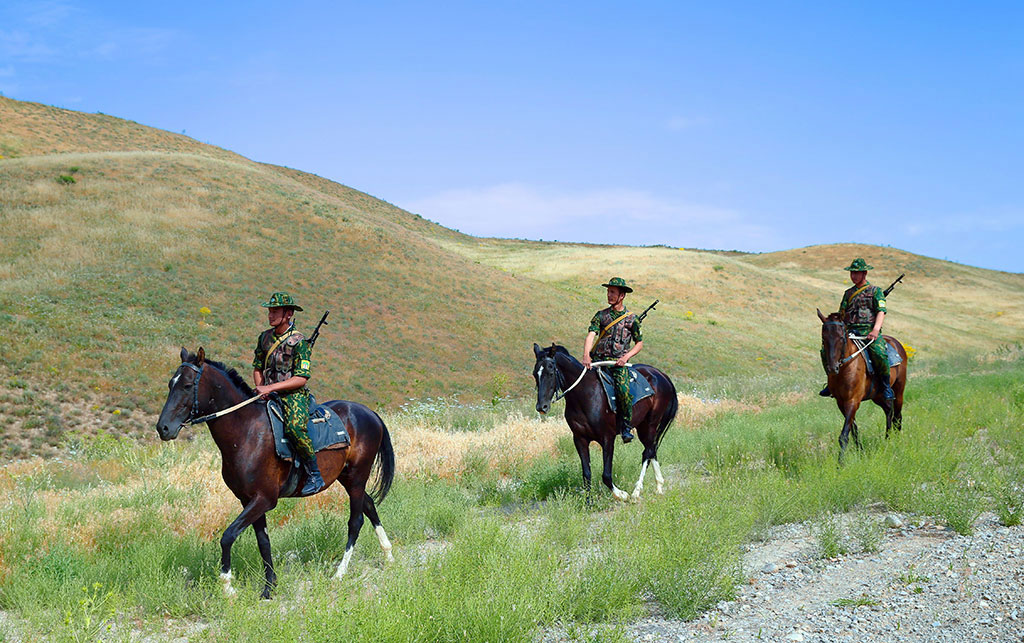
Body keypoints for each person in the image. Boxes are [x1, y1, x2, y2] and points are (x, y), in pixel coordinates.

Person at [252, 291, 324, 494]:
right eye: (270, 311)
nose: (271, 315)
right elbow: (257, 367)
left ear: (289, 314)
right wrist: (261, 388)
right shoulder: (264, 338)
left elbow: (301, 378)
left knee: (294, 428)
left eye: (276, 311)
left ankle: (314, 474)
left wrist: (270, 388)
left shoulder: (300, 342)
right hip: (267, 392)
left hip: (293, 395)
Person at [819, 259, 894, 400]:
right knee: (826, 351)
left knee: (879, 353)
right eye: (852, 273)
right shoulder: (848, 293)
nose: (853, 276)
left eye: (856, 273)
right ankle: (831, 382)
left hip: (869, 332)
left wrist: (875, 330)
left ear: (864, 273)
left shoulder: (876, 291)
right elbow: (842, 314)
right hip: (850, 332)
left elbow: (881, 311)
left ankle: (886, 387)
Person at [582, 277, 644, 443]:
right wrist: (586, 355)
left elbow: (639, 343)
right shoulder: (601, 315)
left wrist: (626, 357)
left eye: (613, 292)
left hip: (617, 364)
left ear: (622, 295)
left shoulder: (632, 319)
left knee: (623, 390)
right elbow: (591, 335)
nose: (609, 295)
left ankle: (626, 426)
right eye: (608, 292)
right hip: (597, 362)